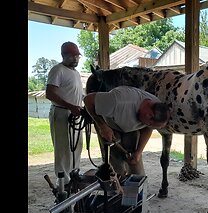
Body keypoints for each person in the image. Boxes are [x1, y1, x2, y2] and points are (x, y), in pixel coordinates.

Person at [83, 85, 170, 176]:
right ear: (149, 115)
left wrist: (138, 152)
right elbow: (88, 100)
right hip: (110, 126)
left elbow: (147, 129)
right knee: (116, 171)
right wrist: (102, 126)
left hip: (131, 128)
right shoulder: (117, 101)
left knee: (137, 170)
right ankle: (117, 186)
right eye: (149, 123)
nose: (148, 126)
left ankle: (136, 187)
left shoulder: (156, 107)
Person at [45, 41, 85, 184]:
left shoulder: (76, 73)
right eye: (72, 56)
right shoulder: (58, 70)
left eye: (77, 56)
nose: (75, 59)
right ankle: (63, 181)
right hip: (61, 114)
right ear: (63, 55)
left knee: (76, 146)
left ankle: (74, 174)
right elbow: (50, 94)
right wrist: (70, 106)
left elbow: (76, 93)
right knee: (63, 148)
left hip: (74, 114)